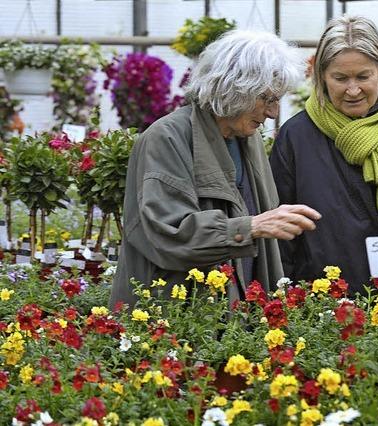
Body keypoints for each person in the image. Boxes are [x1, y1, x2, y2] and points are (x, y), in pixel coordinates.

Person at [110, 30, 321, 309]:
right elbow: (169, 233)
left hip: (233, 312)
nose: (273, 112)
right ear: (235, 88)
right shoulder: (167, 138)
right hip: (177, 318)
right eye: (267, 99)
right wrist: (252, 226)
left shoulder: (249, 137)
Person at [270, 16, 378, 294]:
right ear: (321, 76)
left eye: (363, 76)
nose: (353, 90)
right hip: (323, 303)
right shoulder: (297, 136)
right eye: (340, 78)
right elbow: (279, 233)